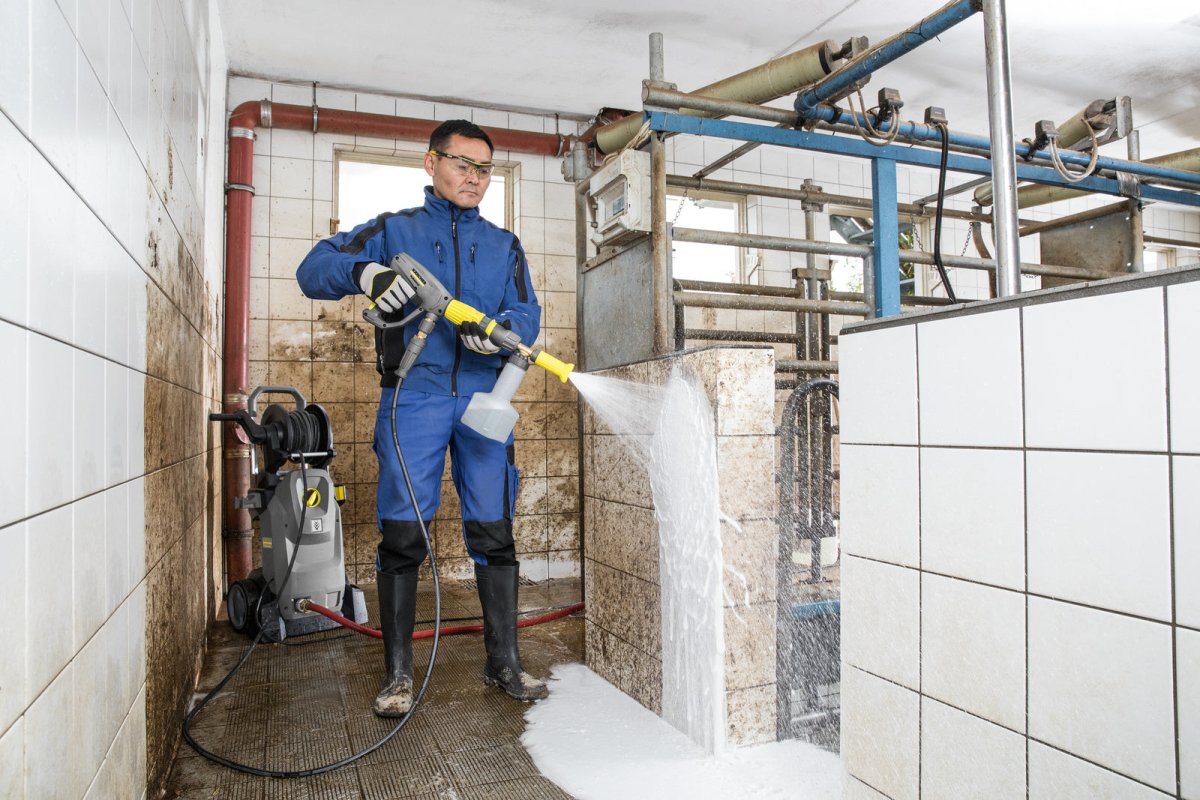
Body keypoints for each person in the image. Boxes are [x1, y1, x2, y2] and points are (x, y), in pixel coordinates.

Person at [296, 119, 547, 716]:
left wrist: (506, 330)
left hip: (486, 400)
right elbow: (313, 269)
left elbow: (527, 309)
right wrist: (367, 272)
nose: (475, 178)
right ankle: (398, 674)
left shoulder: (504, 245)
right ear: (431, 163)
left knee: (495, 532)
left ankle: (504, 662)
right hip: (414, 396)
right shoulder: (394, 230)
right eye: (463, 164)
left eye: (485, 169)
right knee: (404, 536)